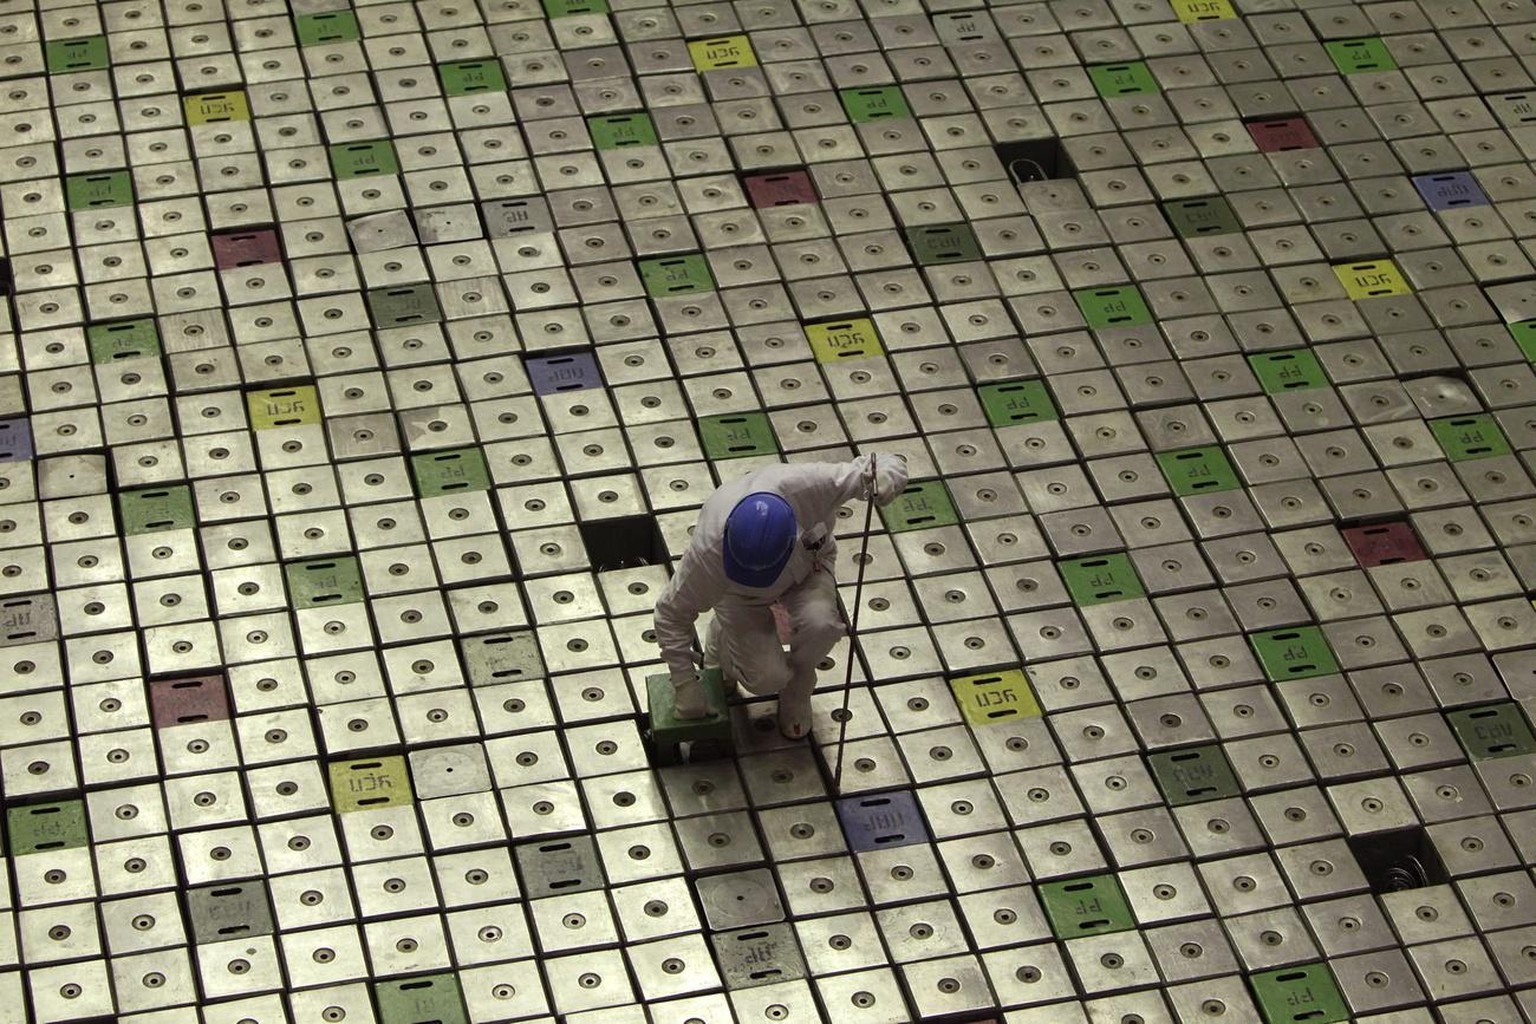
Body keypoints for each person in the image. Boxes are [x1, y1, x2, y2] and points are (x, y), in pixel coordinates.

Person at [653, 452, 908, 739]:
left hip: (809, 570)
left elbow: (878, 464)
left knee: (821, 626)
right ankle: (722, 641)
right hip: (740, 596)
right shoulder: (708, 553)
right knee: (765, 678)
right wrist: (685, 684)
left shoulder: (810, 486)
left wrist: (889, 478)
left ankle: (798, 689)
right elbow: (669, 614)